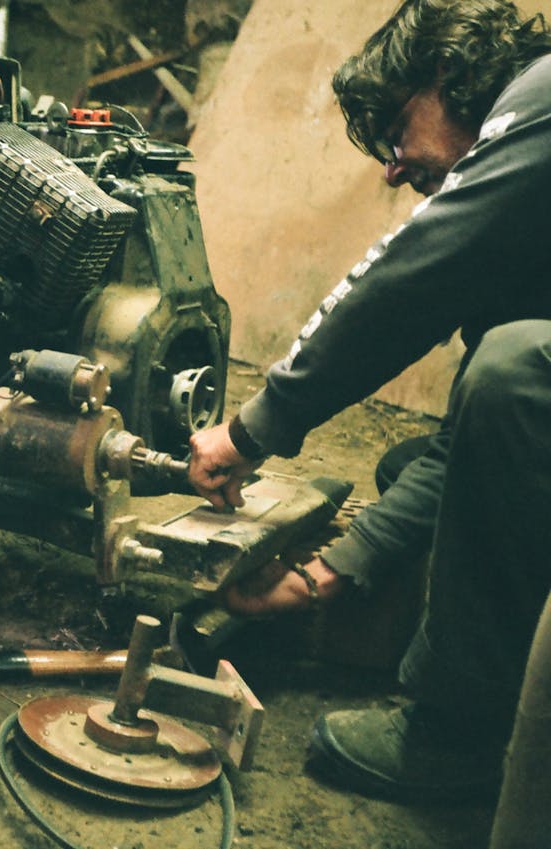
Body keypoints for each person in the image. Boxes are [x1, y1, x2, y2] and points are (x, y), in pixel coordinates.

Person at [187, 0, 551, 801]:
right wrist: (325, 576)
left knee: (516, 374)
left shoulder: (544, 98)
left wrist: (253, 429)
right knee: (422, 454)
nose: (391, 167)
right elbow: (462, 442)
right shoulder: (530, 231)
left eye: (397, 127)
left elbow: (412, 274)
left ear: (450, 75)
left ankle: (455, 736)